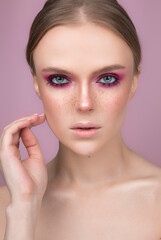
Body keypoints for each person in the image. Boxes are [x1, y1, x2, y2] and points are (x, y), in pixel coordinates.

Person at [0, 0, 161, 239]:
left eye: (107, 79)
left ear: (134, 82)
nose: (84, 104)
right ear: (36, 83)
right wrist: (24, 207)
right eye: (59, 79)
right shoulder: (9, 206)